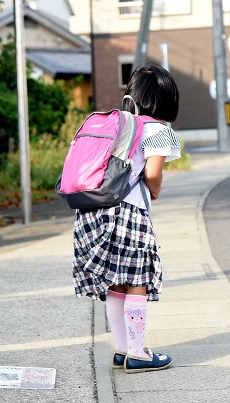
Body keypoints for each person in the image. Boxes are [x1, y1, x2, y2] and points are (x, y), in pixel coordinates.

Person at [72, 62, 181, 374]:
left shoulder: (119, 124)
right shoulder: (158, 130)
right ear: (167, 100)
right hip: (129, 214)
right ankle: (137, 352)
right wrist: (155, 191)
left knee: (116, 282)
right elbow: (154, 172)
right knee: (137, 282)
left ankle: (122, 350)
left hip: (93, 210)